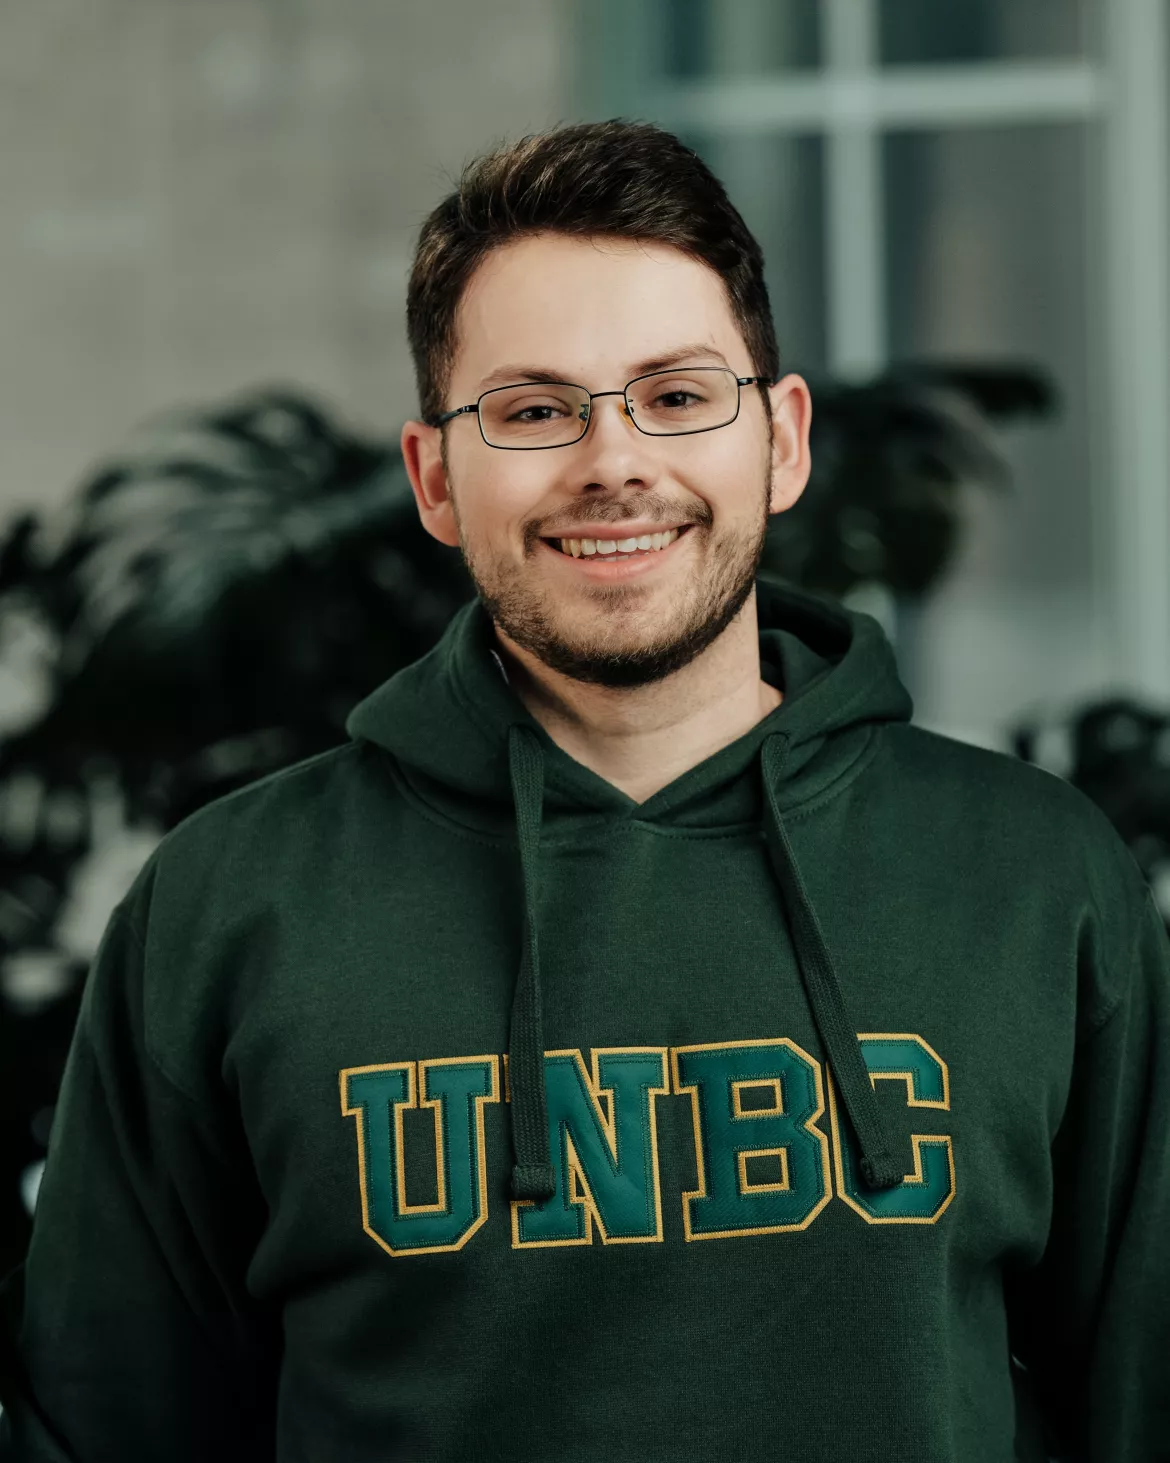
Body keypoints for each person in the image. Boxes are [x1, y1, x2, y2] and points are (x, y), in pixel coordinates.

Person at [0, 117, 1167, 1463]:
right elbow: (100, 1430)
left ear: (779, 440)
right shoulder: (228, 906)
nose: (612, 459)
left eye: (675, 395)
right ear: (436, 476)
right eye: (534, 408)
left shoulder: (1029, 872)